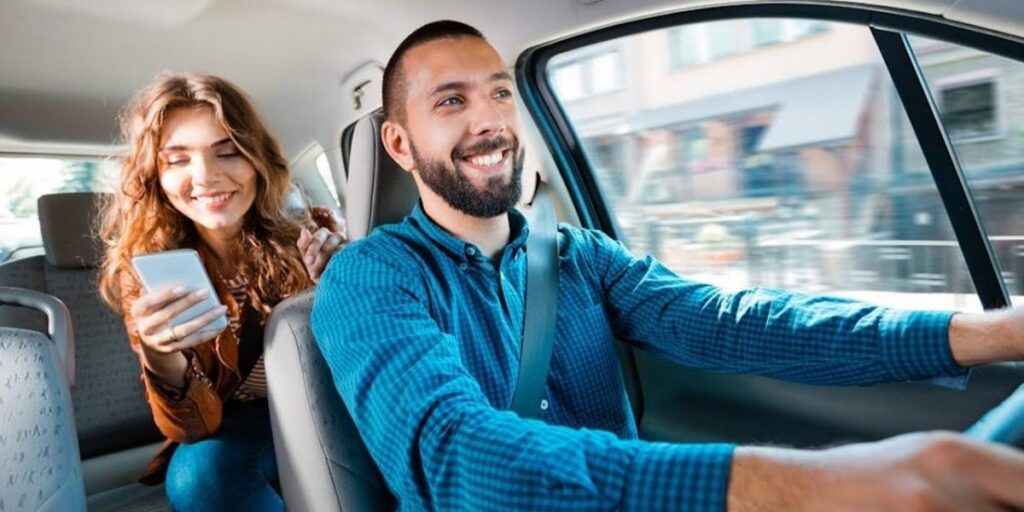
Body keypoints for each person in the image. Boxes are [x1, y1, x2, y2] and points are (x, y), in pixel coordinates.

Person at [311, 21, 1024, 511]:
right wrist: (810, 487)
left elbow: (738, 324)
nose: (489, 119)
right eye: (452, 102)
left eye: (500, 91)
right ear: (400, 146)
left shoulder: (579, 256)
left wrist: (994, 334)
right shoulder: (371, 280)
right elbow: (456, 453)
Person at [98, 73, 345, 511]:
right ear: (155, 175)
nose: (206, 177)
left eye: (228, 151)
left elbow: (350, 364)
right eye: (177, 160)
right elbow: (194, 428)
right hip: (230, 424)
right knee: (198, 477)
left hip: (319, 402)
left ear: (257, 160)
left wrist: (339, 286)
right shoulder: (144, 273)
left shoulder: (312, 235)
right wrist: (160, 355)